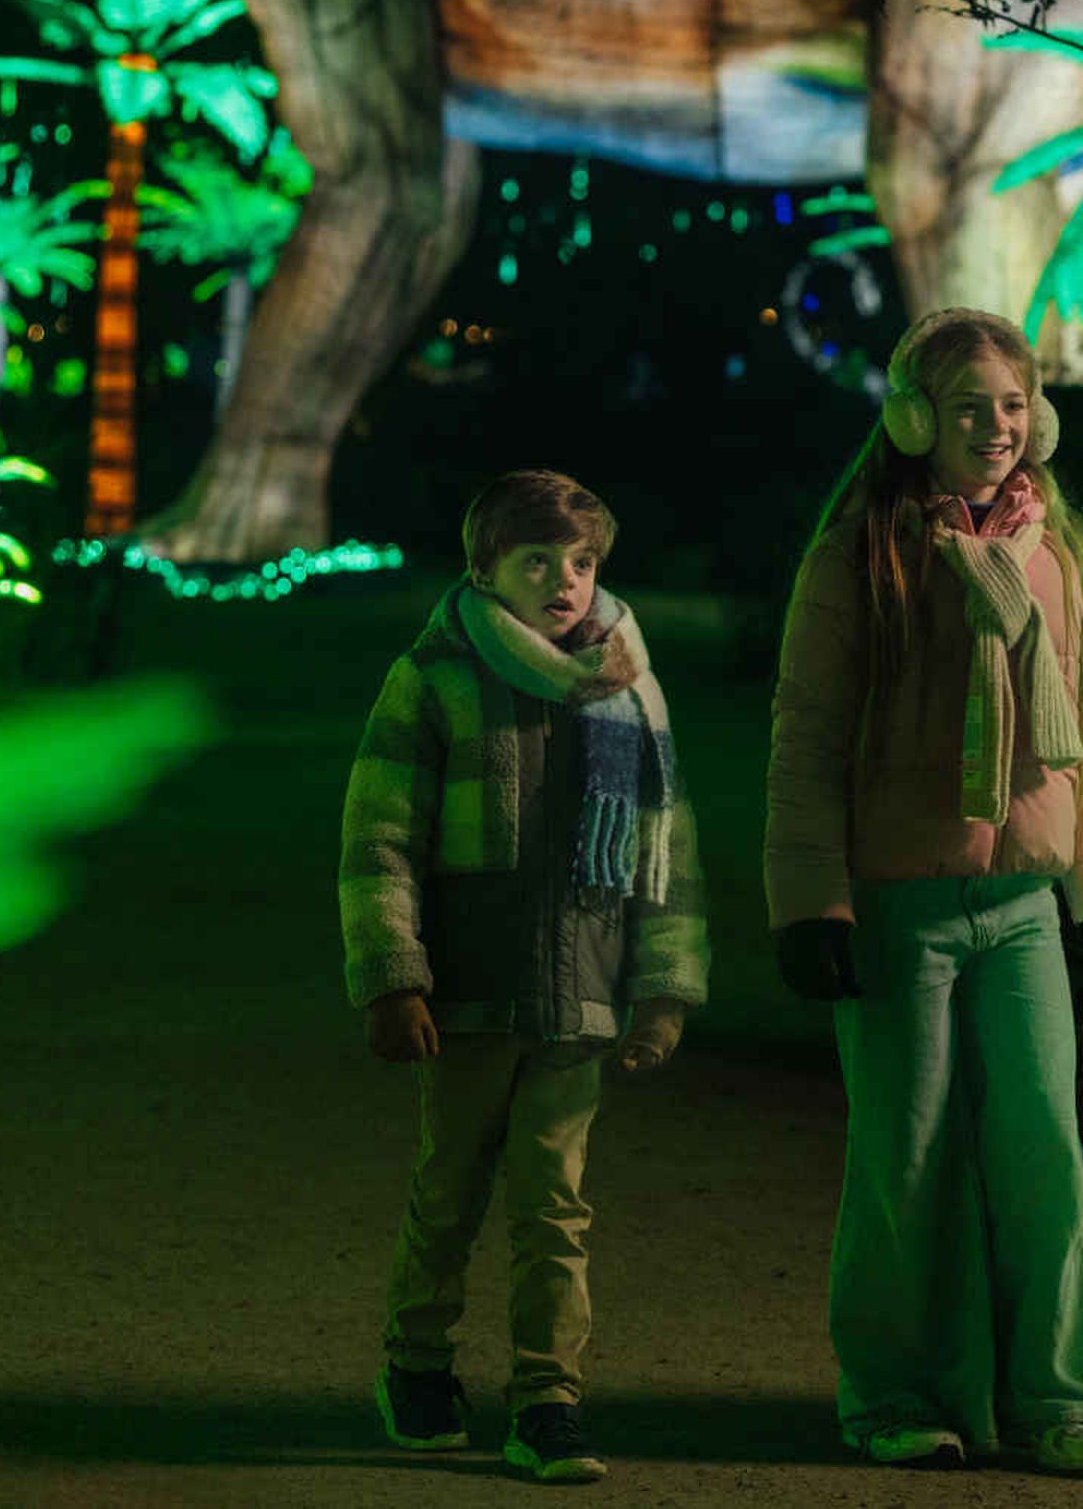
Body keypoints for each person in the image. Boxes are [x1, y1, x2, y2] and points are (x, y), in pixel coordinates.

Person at [765, 308, 1083, 1476]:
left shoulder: (1055, 555)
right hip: (899, 905)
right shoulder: (861, 552)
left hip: (1023, 908)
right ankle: (892, 1393)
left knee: (1046, 1154)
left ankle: (1060, 1401)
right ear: (915, 419)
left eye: (1016, 404)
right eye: (973, 406)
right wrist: (808, 902)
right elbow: (809, 736)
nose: (999, 426)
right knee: (906, 1158)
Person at [341, 469, 707, 1486]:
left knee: (555, 1209)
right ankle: (417, 1365)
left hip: (579, 996)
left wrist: (664, 986)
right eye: (537, 560)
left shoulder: (630, 690)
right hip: (464, 996)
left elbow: (662, 845)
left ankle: (549, 1399)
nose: (565, 580)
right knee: (448, 1190)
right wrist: (391, 975)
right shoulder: (436, 680)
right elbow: (378, 840)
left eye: (582, 561)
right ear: (483, 569)